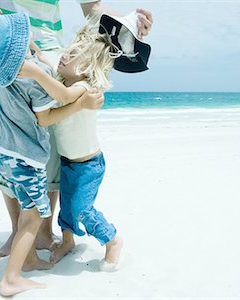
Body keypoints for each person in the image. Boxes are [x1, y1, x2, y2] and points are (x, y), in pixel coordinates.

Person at [0, 0, 153, 262]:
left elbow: (93, 6)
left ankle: (42, 231)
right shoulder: (73, 77)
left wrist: (128, 28)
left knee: (55, 170)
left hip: (49, 48)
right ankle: (20, 231)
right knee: (10, 145)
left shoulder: (79, 81)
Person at [0, 12, 104, 296]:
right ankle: (11, 279)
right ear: (18, 48)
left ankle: (28, 258)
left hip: (1, 155)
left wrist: (37, 59)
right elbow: (50, 113)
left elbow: (39, 68)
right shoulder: (34, 78)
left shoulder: (1, 73)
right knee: (34, 215)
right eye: (25, 36)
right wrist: (82, 102)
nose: (31, 37)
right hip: (25, 160)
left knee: (24, 205)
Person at [18, 11, 151, 269]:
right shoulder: (63, 78)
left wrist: (36, 73)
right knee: (67, 208)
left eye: (73, 55)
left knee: (81, 209)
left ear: (88, 67)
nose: (64, 56)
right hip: (69, 161)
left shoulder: (85, 87)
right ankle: (68, 241)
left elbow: (65, 96)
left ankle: (112, 240)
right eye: (67, 51)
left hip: (89, 165)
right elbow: (46, 59)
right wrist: (33, 48)